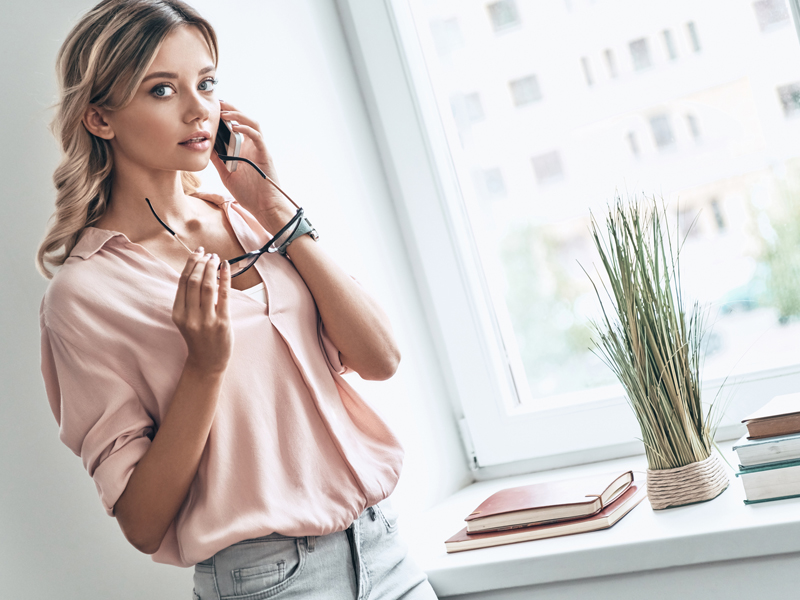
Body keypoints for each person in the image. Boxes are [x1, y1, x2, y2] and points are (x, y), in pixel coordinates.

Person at [36, 1, 438, 598]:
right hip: (268, 581)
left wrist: (275, 208)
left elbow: (380, 359)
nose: (199, 108)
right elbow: (142, 523)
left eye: (206, 82)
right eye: (162, 90)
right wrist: (204, 366)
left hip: (382, 551)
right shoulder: (83, 295)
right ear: (100, 118)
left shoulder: (249, 218)